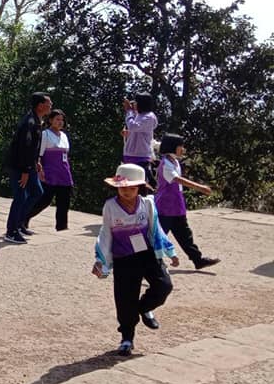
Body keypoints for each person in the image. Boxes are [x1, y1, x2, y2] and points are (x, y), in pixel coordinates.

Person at [93, 163, 178, 356]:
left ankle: (144, 308)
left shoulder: (147, 204)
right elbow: (106, 233)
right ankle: (127, 338)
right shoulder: (110, 206)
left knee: (164, 285)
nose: (127, 191)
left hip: (147, 254)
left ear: (139, 187)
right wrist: (101, 260)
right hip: (124, 257)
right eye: (123, 187)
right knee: (125, 298)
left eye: (132, 188)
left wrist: (170, 251)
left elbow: (156, 229)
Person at [154, 133, 220, 270]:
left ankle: (198, 260)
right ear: (173, 147)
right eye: (180, 146)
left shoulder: (174, 161)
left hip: (177, 205)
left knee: (185, 235)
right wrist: (200, 187)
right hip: (165, 207)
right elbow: (177, 179)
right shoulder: (166, 164)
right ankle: (147, 262)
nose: (183, 149)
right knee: (158, 236)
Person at [4, 92, 52, 243]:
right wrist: (25, 170)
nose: (51, 105)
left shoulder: (37, 120)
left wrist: (36, 161)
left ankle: (20, 223)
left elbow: (33, 147)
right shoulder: (29, 122)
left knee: (37, 192)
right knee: (20, 197)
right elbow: (24, 147)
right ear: (40, 106)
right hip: (19, 166)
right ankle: (11, 231)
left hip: (29, 165)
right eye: (48, 103)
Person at [27, 109, 74, 231]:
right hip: (49, 172)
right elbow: (39, 154)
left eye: (62, 120)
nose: (60, 122)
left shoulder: (64, 136)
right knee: (44, 200)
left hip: (63, 173)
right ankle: (24, 218)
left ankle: (62, 226)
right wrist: (40, 170)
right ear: (50, 120)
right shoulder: (45, 134)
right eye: (57, 119)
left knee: (64, 201)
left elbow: (65, 155)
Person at [121, 93, 158, 187]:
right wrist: (127, 133)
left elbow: (133, 126)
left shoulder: (149, 117)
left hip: (141, 156)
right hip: (129, 154)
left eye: (135, 102)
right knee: (127, 184)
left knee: (139, 185)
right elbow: (136, 131)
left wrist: (129, 111)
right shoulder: (138, 115)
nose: (133, 104)